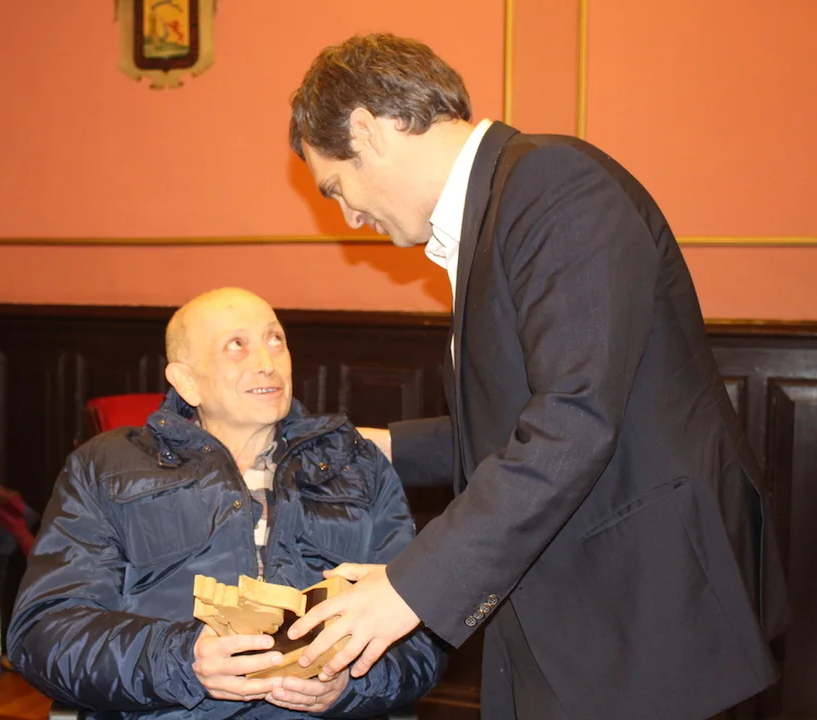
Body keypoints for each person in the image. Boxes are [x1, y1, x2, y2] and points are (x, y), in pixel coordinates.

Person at [282, 33, 791, 720]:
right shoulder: (501, 206)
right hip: (584, 605)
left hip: (644, 608)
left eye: (337, 188)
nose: (349, 216)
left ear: (367, 131)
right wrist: (381, 446)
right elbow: (519, 419)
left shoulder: (552, 183)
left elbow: (573, 420)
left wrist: (408, 587)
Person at [6, 287, 446, 719]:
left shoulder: (356, 466)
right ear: (187, 382)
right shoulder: (107, 467)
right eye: (237, 345)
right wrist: (183, 660)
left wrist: (348, 685)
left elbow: (420, 633)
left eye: (275, 340)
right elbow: (45, 633)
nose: (267, 363)